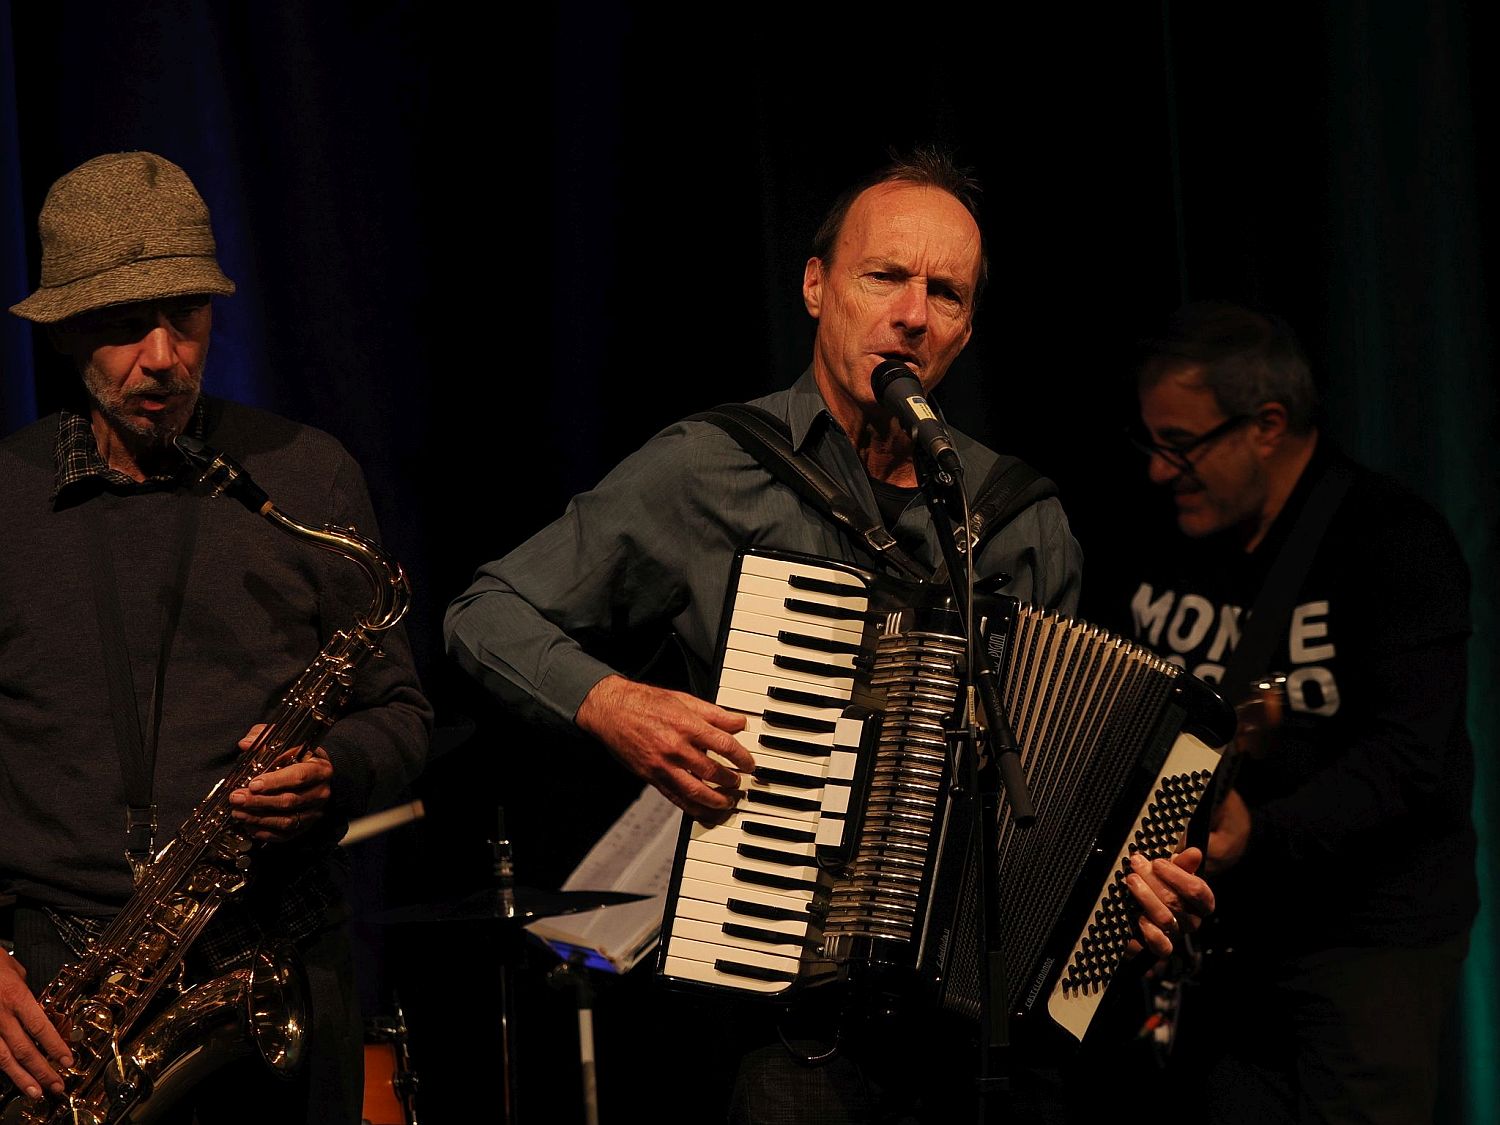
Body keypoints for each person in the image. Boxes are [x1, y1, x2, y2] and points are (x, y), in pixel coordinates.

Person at [443, 146, 1217, 1123]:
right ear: (817, 287)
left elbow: (1066, 786)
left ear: (966, 328)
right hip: (792, 1030)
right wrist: (614, 703)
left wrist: (1124, 887)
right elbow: (484, 614)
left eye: (945, 292)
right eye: (884, 276)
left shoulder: (1022, 519)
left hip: (990, 1050)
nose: (912, 314)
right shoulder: (711, 469)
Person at [0, 151, 433, 1124]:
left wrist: (336, 768)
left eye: (187, 315)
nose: (165, 357)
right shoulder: (5, 499)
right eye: (126, 323)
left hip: (277, 967)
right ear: (65, 328)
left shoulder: (306, 473)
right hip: (56, 1005)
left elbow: (402, 714)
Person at [1094, 299, 1477, 1123]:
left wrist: (1257, 834)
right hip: (1221, 947)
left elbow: (1406, 764)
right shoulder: (1154, 539)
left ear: (1266, 425)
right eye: (1151, 443)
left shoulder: (1393, 543)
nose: (1159, 472)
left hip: (1368, 940)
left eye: (1180, 444)